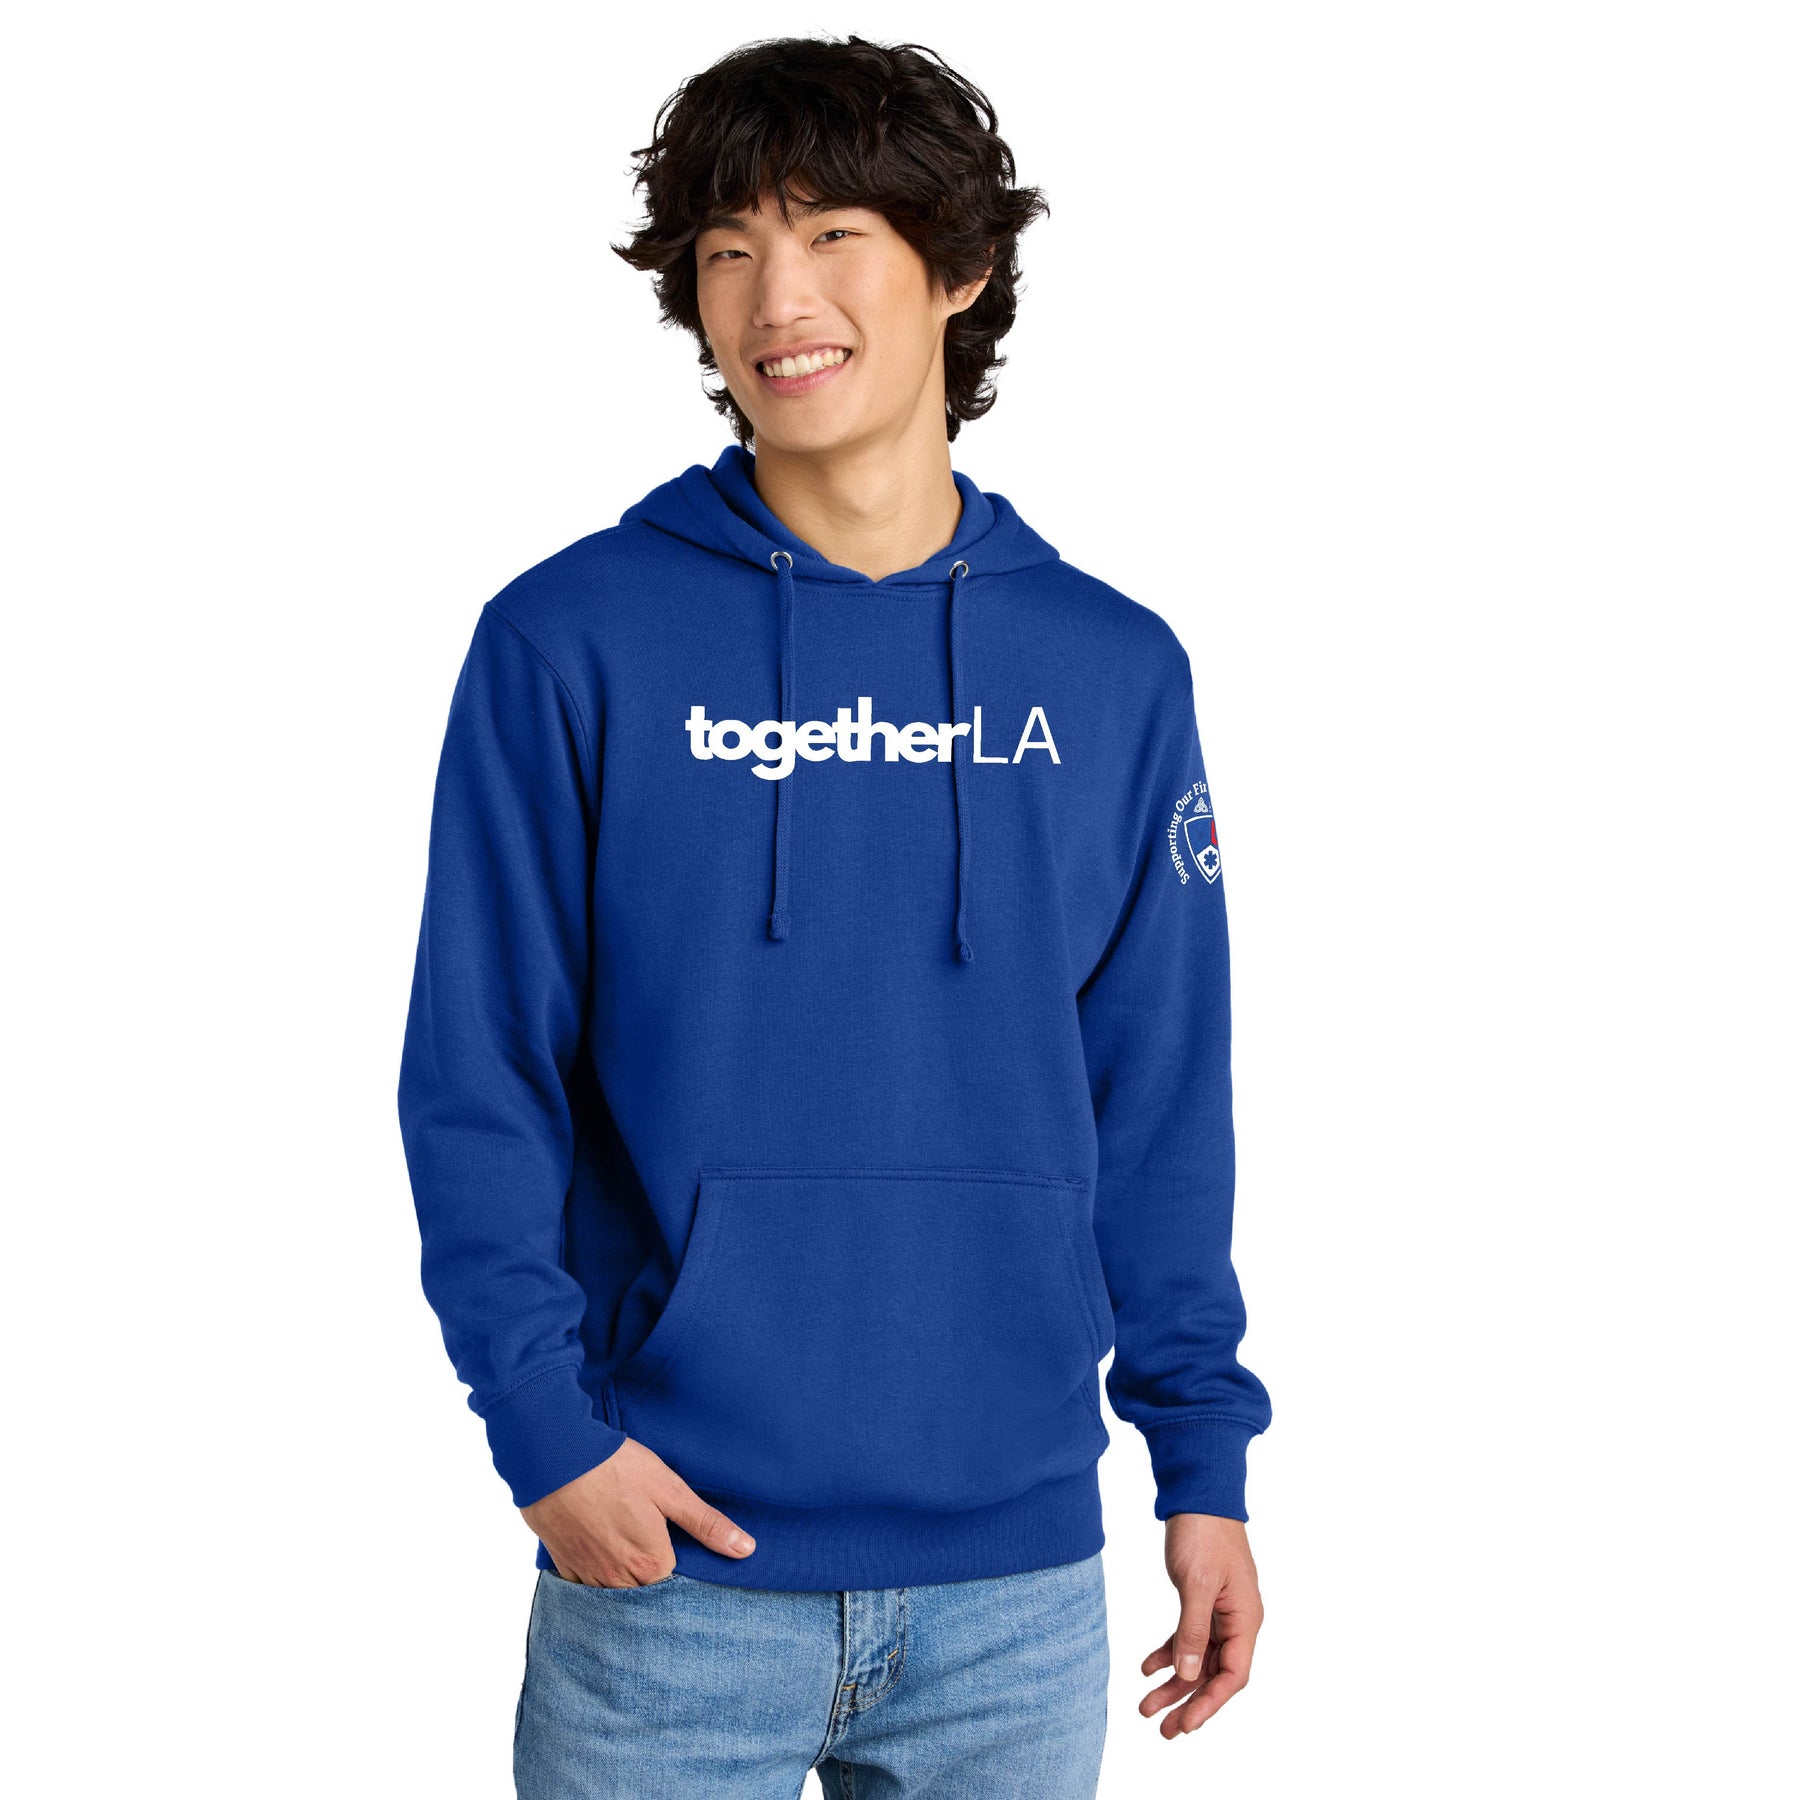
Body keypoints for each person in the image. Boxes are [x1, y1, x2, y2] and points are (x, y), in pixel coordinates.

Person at [397, 33, 1272, 1799]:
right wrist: (544, 1438)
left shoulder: (1112, 669)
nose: (774, 299)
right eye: (729, 249)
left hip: (1017, 1592)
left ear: (961, 270)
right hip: (668, 1569)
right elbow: (480, 1072)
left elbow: (1162, 1094)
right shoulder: (569, 641)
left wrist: (1204, 1465)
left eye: (831, 236)